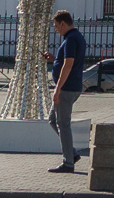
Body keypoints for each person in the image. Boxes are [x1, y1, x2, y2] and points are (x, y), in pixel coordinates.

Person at [47, 11, 86, 175]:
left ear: (63, 23)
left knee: (63, 124)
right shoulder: (77, 37)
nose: (56, 30)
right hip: (72, 86)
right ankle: (72, 153)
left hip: (66, 88)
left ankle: (68, 162)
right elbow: (68, 61)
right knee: (52, 120)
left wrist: (57, 89)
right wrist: (54, 59)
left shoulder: (70, 39)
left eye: (56, 26)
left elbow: (68, 65)